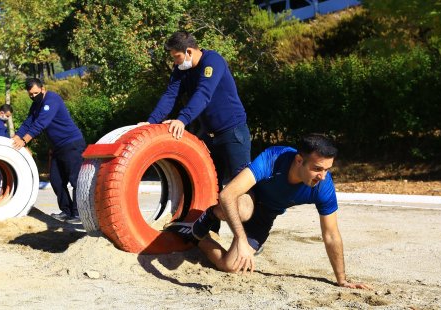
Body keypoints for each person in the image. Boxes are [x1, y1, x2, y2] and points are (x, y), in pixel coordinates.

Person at [165, 134, 371, 290]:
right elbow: (228, 195)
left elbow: (331, 234)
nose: (323, 176)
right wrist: (241, 239)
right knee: (242, 210)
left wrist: (342, 279)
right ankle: (210, 215)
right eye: (318, 168)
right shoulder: (274, 158)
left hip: (266, 216)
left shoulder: (323, 186)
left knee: (230, 266)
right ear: (299, 160)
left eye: (327, 169)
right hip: (250, 197)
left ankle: (195, 236)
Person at [141, 31, 251, 188]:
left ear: (189, 52)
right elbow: (170, 95)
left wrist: (182, 120)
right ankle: (211, 213)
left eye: (176, 56)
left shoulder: (213, 61)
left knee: (241, 186)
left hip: (233, 133)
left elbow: (204, 93)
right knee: (209, 187)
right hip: (210, 137)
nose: (174, 61)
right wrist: (150, 122)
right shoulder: (181, 70)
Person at [11, 78, 86, 224]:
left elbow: (41, 124)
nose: (33, 96)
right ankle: (67, 211)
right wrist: (16, 137)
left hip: (72, 144)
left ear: (43, 89)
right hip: (58, 147)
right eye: (30, 94)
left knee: (75, 179)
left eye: (36, 93)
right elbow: (28, 123)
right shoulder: (36, 105)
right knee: (56, 180)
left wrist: (24, 140)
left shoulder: (52, 100)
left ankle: (78, 214)